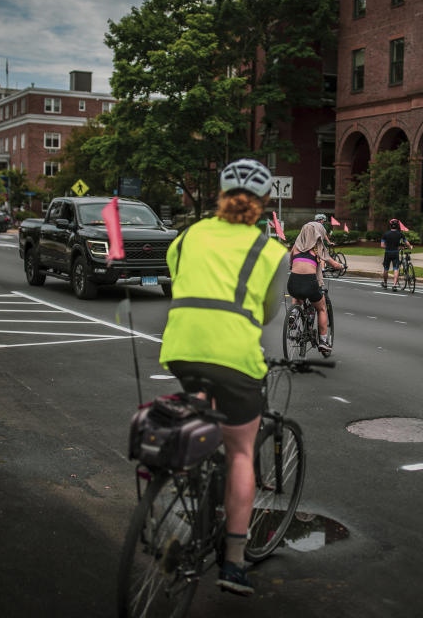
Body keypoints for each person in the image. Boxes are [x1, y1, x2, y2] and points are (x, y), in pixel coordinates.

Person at [159, 158, 289, 595]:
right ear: (264, 203)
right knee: (239, 452)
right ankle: (233, 562)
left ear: (220, 194)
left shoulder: (190, 234)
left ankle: (186, 496)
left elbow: (178, 278)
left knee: (204, 422)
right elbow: (269, 313)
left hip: (181, 350)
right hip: (233, 356)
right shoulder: (270, 251)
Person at [288, 220, 346, 354]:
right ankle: (323, 341)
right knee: (321, 308)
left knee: (297, 296)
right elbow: (333, 264)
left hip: (293, 281)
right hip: (310, 282)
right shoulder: (318, 247)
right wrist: (341, 266)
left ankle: (294, 314)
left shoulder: (296, 246)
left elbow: (291, 262)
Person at [380, 219, 413, 290]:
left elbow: (382, 245)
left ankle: (385, 284)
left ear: (390, 225)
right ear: (397, 226)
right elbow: (406, 242)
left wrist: (388, 247)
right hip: (395, 253)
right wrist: (410, 247)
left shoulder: (385, 234)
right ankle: (394, 285)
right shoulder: (400, 234)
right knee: (396, 269)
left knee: (386, 268)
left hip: (388, 253)